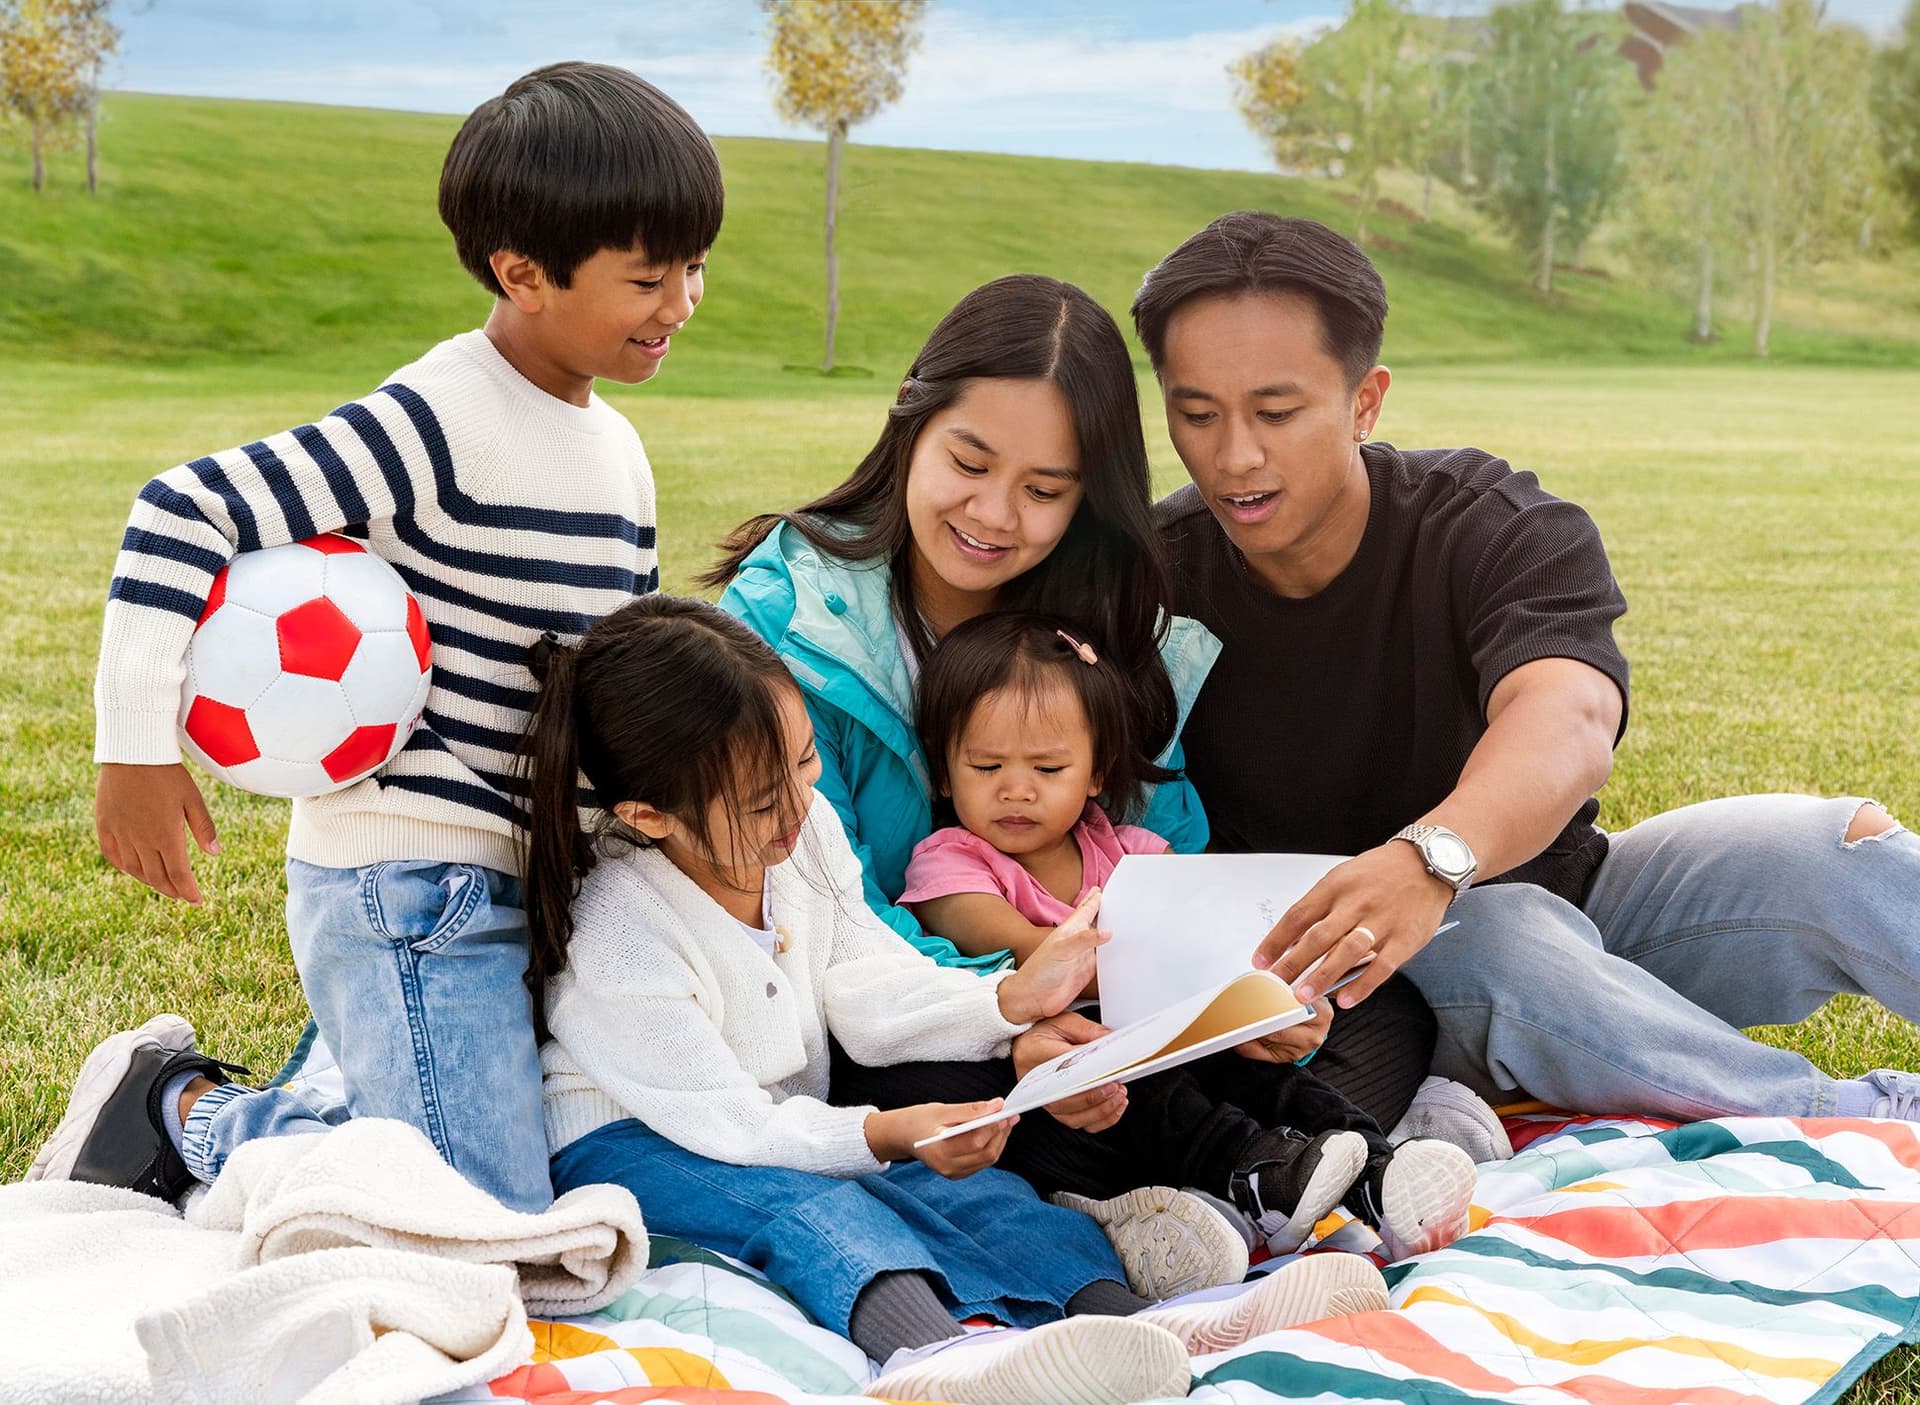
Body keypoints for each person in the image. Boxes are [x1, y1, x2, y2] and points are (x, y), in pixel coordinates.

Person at [29, 63, 724, 1213]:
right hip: (411, 880)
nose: (683, 303)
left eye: (694, 268)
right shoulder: (438, 418)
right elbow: (181, 508)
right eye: (649, 277)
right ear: (522, 274)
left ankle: (256, 1101)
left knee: (525, 1149)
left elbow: (607, 681)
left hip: (529, 882)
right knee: (477, 1214)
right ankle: (181, 1115)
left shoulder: (622, 456)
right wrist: (134, 750)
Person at [1135, 209, 1920, 1126]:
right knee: (1500, 931)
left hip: (1575, 913)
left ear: (1364, 400)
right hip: (1350, 1002)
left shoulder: (1489, 523)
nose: (1235, 456)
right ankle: (1860, 1120)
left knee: (1836, 849)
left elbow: (1570, 717)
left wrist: (1428, 860)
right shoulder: (1147, 584)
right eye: (1196, 414)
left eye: (1275, 412)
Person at [525, 595, 1391, 1405]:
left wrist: (1011, 1000)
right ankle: (934, 1357)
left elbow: (862, 977)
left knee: (981, 1191)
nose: (799, 807)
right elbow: (734, 1129)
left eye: (804, 760)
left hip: (780, 1115)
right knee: (821, 1207)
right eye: (762, 801)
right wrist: (888, 1132)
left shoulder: (804, 833)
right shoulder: (621, 933)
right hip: (643, 1138)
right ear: (648, 817)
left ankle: (1131, 1318)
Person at [704, 274, 1445, 1145]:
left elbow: (1166, 868)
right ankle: (1253, 1167)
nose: (992, 514)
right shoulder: (784, 630)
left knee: (1380, 1008)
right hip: (911, 1004)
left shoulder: (1115, 633)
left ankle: (1294, 1156)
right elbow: (834, 920)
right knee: (950, 1075)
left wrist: (1246, 1002)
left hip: (1113, 1016)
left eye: (1044, 490)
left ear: (1087, 494)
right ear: (911, 417)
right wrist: (1011, 1006)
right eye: (969, 464)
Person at [897, 610, 1476, 1259]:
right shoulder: (950, 861)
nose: (1016, 789)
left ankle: (1375, 1169)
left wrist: (1255, 990)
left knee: (1263, 1072)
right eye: (986, 764)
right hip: (1069, 1073)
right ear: (944, 772)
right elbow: (1026, 952)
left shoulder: (1131, 852)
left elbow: (1207, 928)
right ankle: (1258, 1174)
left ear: (1095, 773)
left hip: (1171, 1037)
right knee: (1160, 1091)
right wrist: (1178, 959)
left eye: (1048, 768)